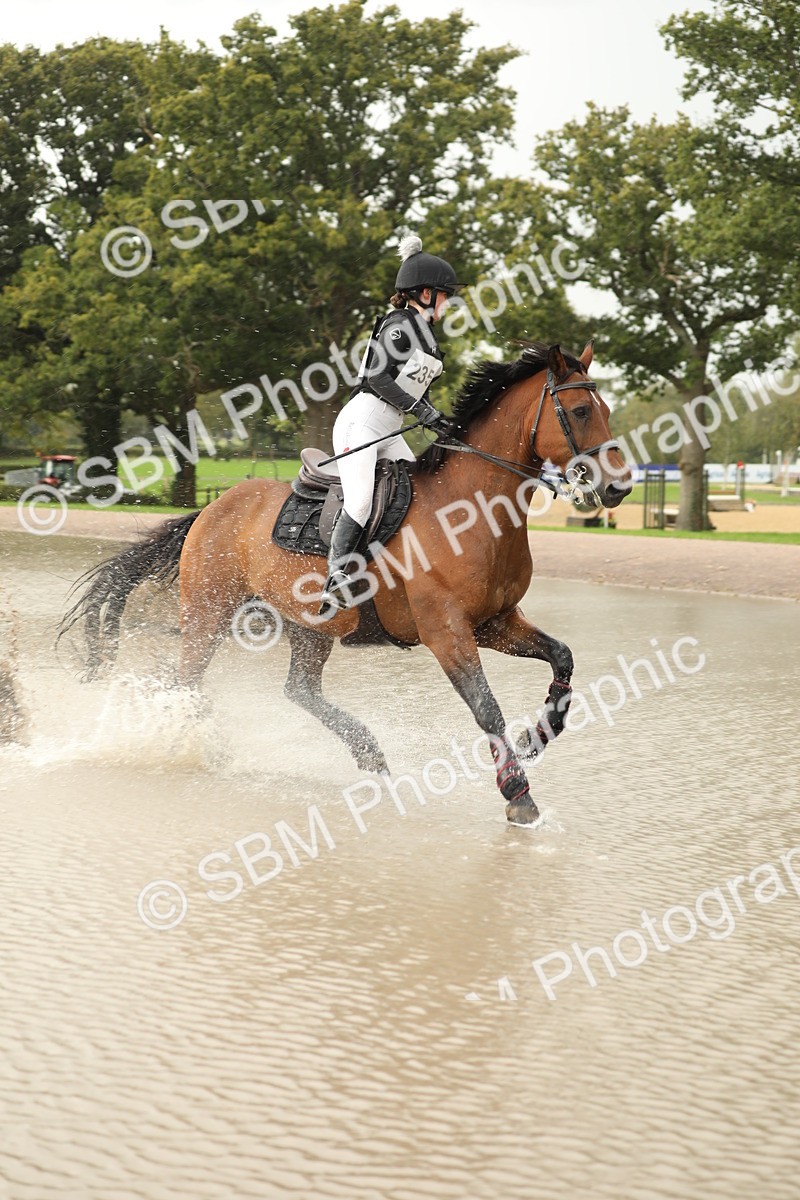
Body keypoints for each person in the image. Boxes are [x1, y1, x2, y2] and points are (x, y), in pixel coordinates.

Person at [319, 235, 462, 613]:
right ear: (425, 293)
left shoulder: (425, 334)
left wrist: (438, 419)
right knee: (362, 500)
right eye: (445, 294)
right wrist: (423, 410)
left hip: (390, 424)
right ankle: (336, 577)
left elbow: (412, 387)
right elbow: (379, 378)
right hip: (363, 421)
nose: (449, 302)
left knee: (419, 492)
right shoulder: (400, 326)